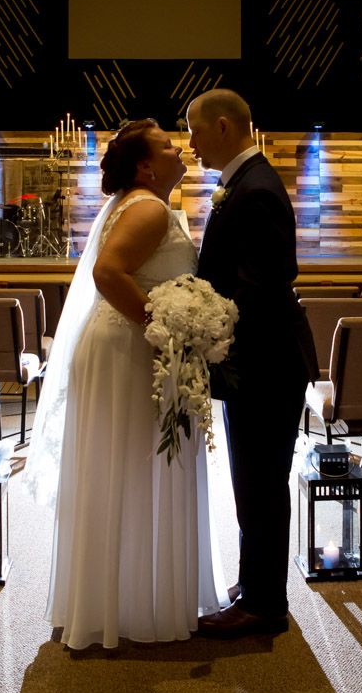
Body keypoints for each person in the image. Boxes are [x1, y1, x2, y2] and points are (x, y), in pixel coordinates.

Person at [21, 118, 228, 650]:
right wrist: (162, 328)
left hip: (123, 345)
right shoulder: (150, 207)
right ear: (145, 164)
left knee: (127, 470)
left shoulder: (137, 203)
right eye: (166, 145)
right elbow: (108, 273)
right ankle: (132, 604)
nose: (178, 148)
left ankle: (120, 601)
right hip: (129, 349)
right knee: (135, 466)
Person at [189, 89, 320, 639]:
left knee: (261, 483)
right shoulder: (242, 183)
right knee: (253, 481)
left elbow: (260, 291)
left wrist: (202, 325)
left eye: (194, 129)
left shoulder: (256, 190)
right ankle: (257, 582)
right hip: (260, 363)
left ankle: (265, 607)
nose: (190, 142)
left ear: (223, 126)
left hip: (265, 365)